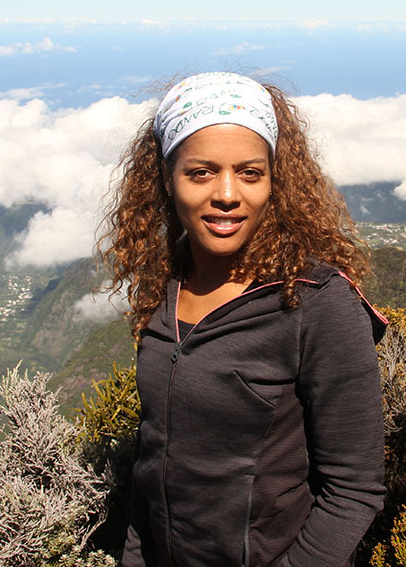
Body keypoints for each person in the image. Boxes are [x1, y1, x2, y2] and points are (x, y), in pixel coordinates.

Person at [100, 72, 388, 567]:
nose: (228, 194)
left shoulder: (315, 303)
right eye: (201, 172)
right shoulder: (166, 286)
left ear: (276, 180)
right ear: (167, 179)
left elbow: (353, 489)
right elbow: (153, 463)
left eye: (250, 173)